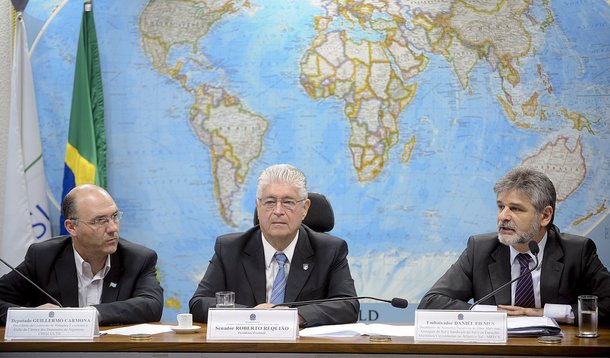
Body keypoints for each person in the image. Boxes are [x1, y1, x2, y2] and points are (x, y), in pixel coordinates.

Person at [418, 167, 610, 324]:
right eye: (501, 206)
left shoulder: (577, 252)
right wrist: (496, 313)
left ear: (545, 216)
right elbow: (431, 303)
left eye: (516, 209)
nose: (503, 216)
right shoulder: (480, 249)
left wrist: (545, 313)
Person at [190, 164, 359, 327]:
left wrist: (295, 316)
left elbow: (348, 305)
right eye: (270, 202)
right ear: (258, 206)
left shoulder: (329, 250)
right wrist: (252, 315)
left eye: (288, 202)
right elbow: (198, 304)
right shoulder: (230, 249)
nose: (278, 211)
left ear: (304, 209)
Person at [0, 184, 163, 325]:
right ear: (71, 227)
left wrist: (89, 314)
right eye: (100, 220)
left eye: (114, 216)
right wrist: (31, 316)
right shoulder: (43, 258)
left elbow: (152, 305)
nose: (113, 228)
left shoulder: (138, 259)